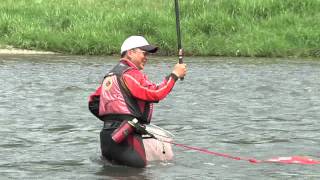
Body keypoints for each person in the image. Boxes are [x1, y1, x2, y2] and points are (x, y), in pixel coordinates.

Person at [88, 35, 187, 168]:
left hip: (107, 139)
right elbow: (155, 93)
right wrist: (174, 76)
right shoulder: (130, 74)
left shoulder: (111, 76)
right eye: (144, 53)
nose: (146, 57)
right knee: (138, 175)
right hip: (126, 140)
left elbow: (93, 102)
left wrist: (113, 120)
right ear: (130, 53)